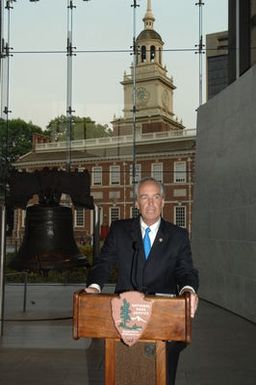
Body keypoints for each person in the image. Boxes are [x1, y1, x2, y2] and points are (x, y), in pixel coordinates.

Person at [85, 176, 199, 384]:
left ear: (163, 201)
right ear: (136, 203)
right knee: (125, 374)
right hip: (124, 319)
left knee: (161, 377)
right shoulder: (119, 230)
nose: (151, 203)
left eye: (156, 197)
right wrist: (93, 287)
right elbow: (103, 263)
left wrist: (188, 290)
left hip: (163, 322)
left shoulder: (178, 235)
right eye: (144, 197)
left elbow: (185, 271)